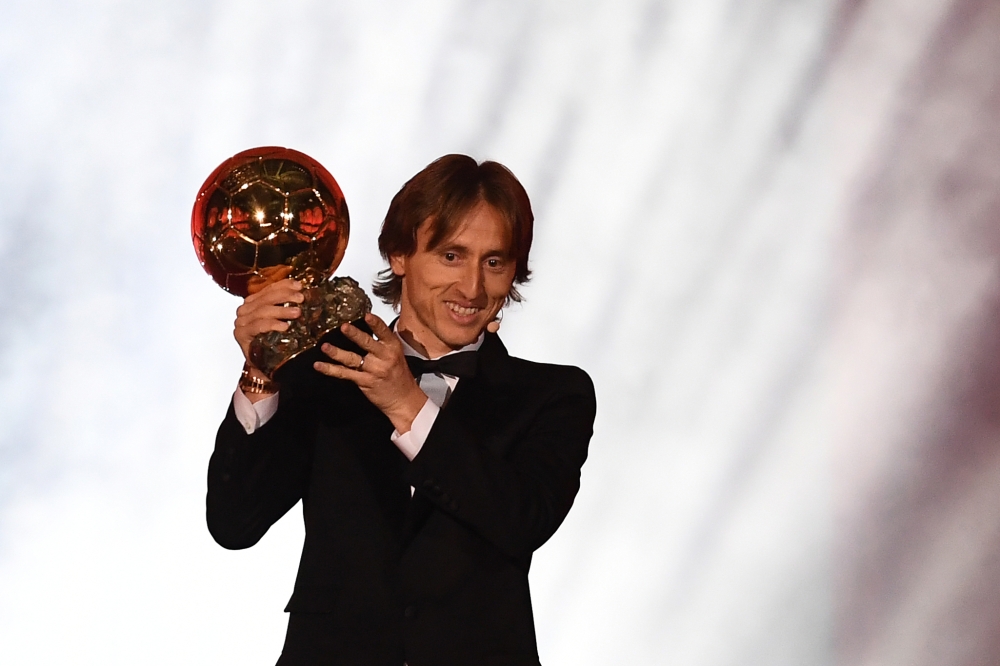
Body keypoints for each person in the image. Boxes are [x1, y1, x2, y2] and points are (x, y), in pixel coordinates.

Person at [207, 154, 597, 666]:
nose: (473, 288)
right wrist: (261, 374)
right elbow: (234, 525)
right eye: (451, 256)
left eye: (494, 262)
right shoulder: (325, 374)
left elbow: (521, 520)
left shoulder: (553, 394)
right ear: (399, 254)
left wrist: (406, 403)